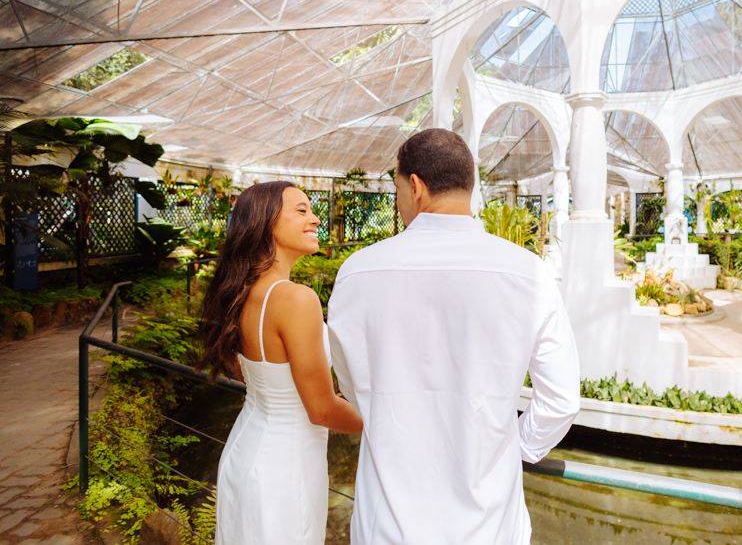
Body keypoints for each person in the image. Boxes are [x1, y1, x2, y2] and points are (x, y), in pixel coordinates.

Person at [327, 129, 581, 544]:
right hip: (490, 523)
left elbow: (354, 386)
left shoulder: (358, 272)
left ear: (415, 186)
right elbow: (561, 400)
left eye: (397, 189)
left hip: (387, 524)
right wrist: (513, 448)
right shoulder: (528, 273)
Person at [198, 181, 363, 545]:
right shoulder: (296, 299)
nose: (315, 219)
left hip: (245, 451)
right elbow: (321, 409)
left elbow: (254, 377)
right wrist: (381, 425)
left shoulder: (241, 291)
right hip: (284, 470)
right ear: (265, 221)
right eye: (302, 210)